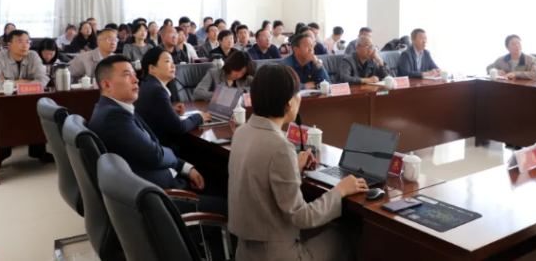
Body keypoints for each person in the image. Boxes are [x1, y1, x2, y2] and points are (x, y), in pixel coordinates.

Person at [229, 63, 365, 261]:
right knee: (345, 236)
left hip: (245, 252)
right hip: (277, 255)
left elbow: (260, 175)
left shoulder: (241, 132)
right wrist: (340, 190)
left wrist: (293, 166)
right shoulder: (280, 147)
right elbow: (302, 217)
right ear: (290, 103)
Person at [87, 55, 226, 215]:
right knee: (231, 201)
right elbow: (156, 154)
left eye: (134, 74)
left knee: (219, 182)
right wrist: (174, 158)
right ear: (106, 85)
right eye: (127, 75)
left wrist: (185, 167)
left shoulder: (116, 108)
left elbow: (154, 148)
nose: (135, 80)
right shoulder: (114, 117)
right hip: (161, 198)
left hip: (162, 184)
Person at [0, 29, 51, 165]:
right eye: (20, 41)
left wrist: (10, 83)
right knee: (8, 116)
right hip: (6, 102)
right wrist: (22, 82)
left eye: (27, 42)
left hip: (30, 100)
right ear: (9, 45)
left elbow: (43, 79)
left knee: (40, 111)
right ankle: (2, 153)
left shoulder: (33, 56)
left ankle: (38, 150)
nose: (25, 45)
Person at [134, 46, 210, 147]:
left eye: (173, 62)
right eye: (167, 61)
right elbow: (179, 128)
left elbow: (152, 114)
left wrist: (170, 111)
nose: (173, 66)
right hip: (159, 147)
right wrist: (199, 116)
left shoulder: (147, 85)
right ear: (152, 68)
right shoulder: (157, 90)